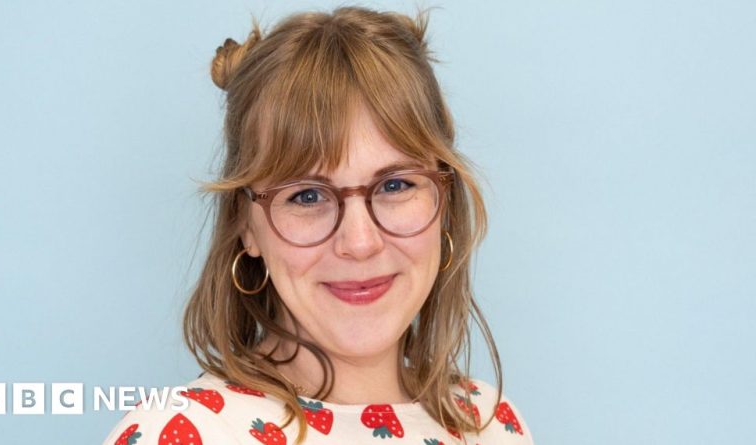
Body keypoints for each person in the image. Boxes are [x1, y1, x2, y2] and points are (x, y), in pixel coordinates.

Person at [102, 5, 534, 445]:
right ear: (245, 225)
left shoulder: (492, 422)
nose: (360, 242)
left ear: (445, 201)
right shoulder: (183, 432)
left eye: (396, 185)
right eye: (307, 196)